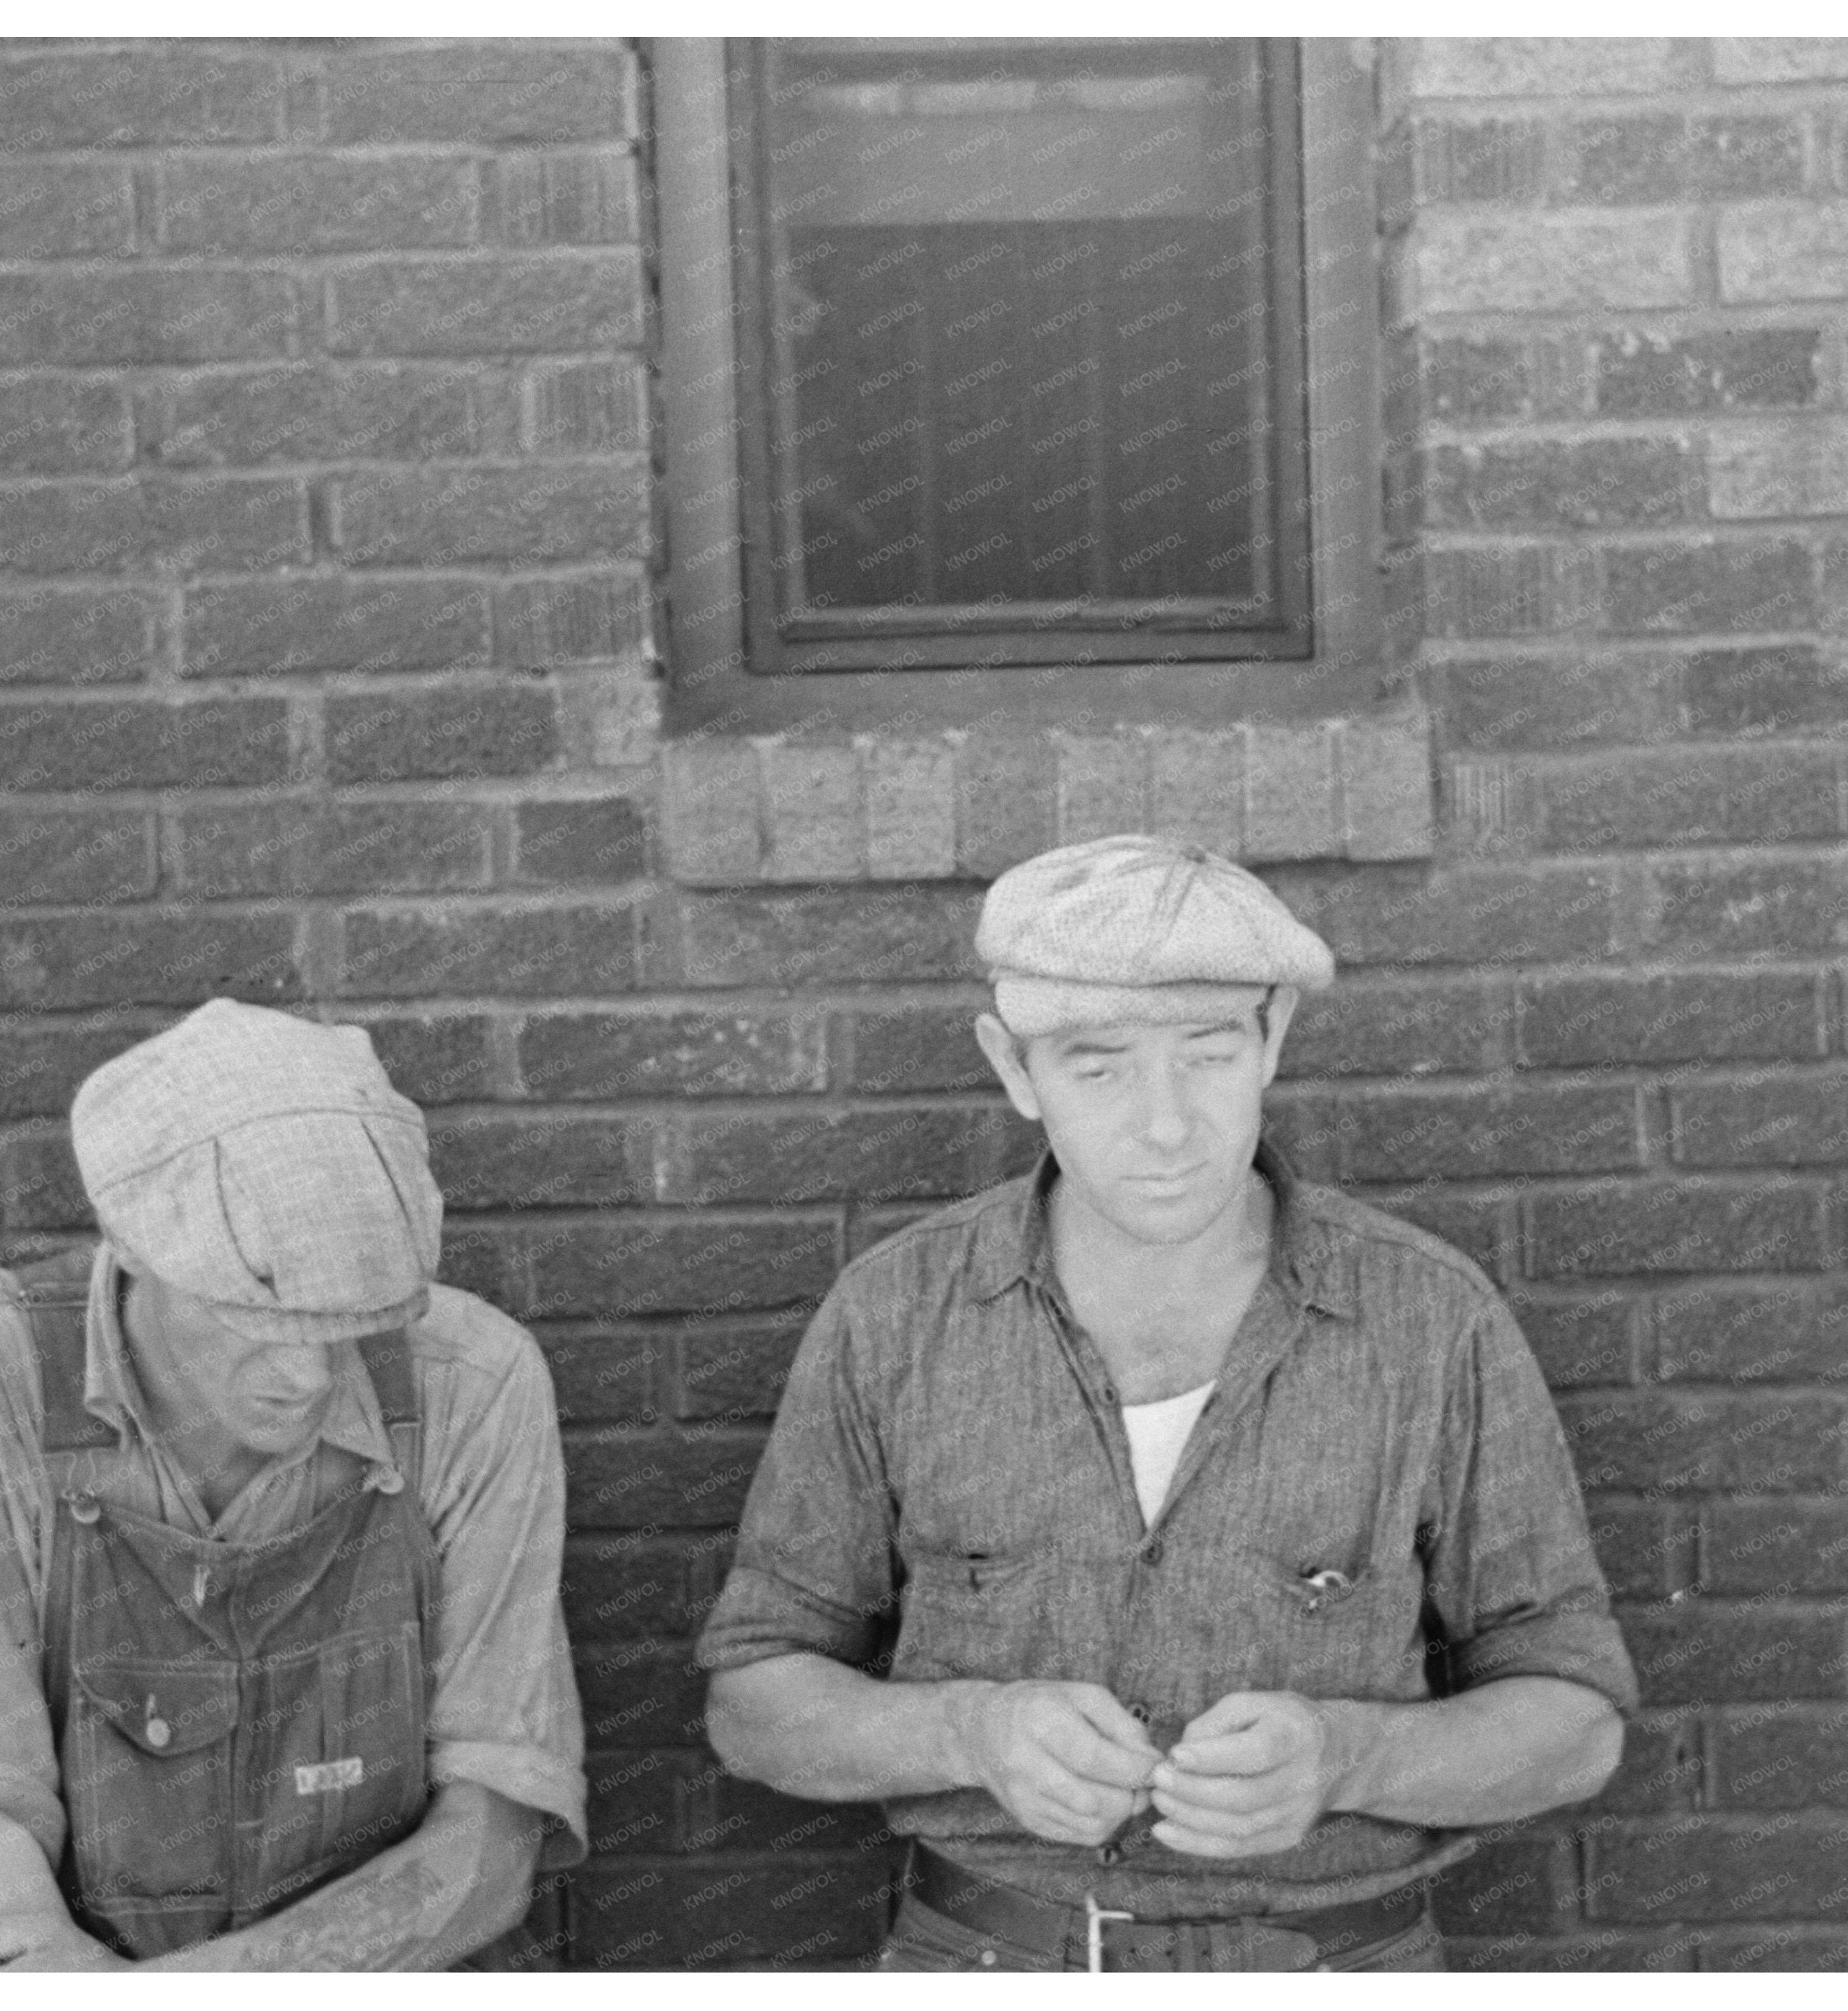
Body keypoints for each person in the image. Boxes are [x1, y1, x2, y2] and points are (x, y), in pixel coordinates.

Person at [696, 834, 1638, 1973]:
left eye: (1206, 1054)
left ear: (1272, 1038)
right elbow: (753, 1702)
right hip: (990, 1956)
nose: (1165, 1125)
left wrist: (1346, 1757)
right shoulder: (895, 1314)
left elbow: (1575, 1722)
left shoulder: (1429, 1319)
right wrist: (968, 1730)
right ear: (1012, 1068)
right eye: (1099, 1068)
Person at [0, 998, 586, 1970]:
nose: (314, 1375)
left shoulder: (474, 1381)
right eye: (257, 1320)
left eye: (350, 1325)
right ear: (137, 1255)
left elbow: (488, 1843)